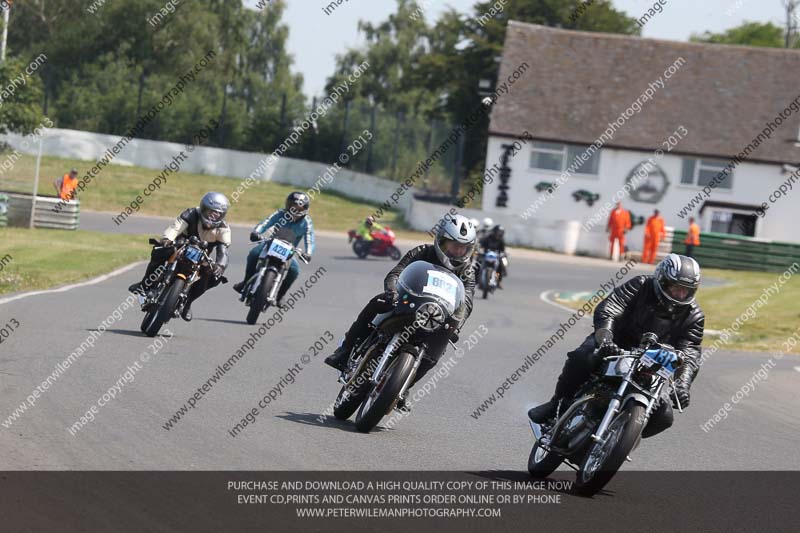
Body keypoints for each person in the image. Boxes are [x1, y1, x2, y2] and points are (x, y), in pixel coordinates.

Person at [528, 253, 703, 439]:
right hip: (615, 344)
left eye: (686, 290)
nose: (681, 294)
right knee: (583, 356)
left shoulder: (694, 315)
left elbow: (690, 351)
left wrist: (682, 385)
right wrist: (605, 336)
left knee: (664, 417)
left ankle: (618, 436)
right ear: (662, 280)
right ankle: (556, 404)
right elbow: (610, 306)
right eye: (676, 288)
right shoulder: (640, 285)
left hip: (653, 364)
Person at [324, 214, 478, 402]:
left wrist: (457, 324)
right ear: (440, 241)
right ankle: (344, 351)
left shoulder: (467, 271)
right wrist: (391, 291)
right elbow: (396, 273)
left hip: (436, 317)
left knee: (440, 348)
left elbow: (467, 302)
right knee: (377, 302)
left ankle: (403, 386)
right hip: (407, 302)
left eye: (463, 248)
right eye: (453, 246)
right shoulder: (422, 251)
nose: (457, 252)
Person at [128, 192, 231, 321]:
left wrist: (220, 266)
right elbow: (175, 228)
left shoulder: (224, 229)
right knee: (160, 251)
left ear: (223, 215)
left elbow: (223, 252)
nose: (213, 216)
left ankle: (187, 303)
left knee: (213, 277)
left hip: (202, 255)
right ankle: (145, 284)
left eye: (217, 214)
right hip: (181, 245)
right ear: (203, 208)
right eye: (210, 212)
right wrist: (167, 239)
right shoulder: (191, 214)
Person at [233, 192, 314, 306]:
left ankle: (281, 295)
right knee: (253, 254)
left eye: (299, 208)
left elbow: (309, 238)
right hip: (271, 243)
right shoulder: (280, 213)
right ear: (287, 205)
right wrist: (256, 232)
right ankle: (245, 282)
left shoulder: (307, 222)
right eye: (292, 207)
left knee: (294, 271)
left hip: (289, 250)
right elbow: (266, 222)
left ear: (305, 209)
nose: (295, 210)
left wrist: (308, 253)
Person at [479, 224, 508, 288]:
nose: (498, 235)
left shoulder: (501, 241)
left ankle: (498, 280)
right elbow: (481, 246)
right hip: (486, 255)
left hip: (496, 257)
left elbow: (503, 250)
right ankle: (476, 279)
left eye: (500, 234)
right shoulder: (487, 238)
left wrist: (503, 254)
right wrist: (481, 251)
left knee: (499, 268)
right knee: (478, 264)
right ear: (494, 232)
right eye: (497, 233)